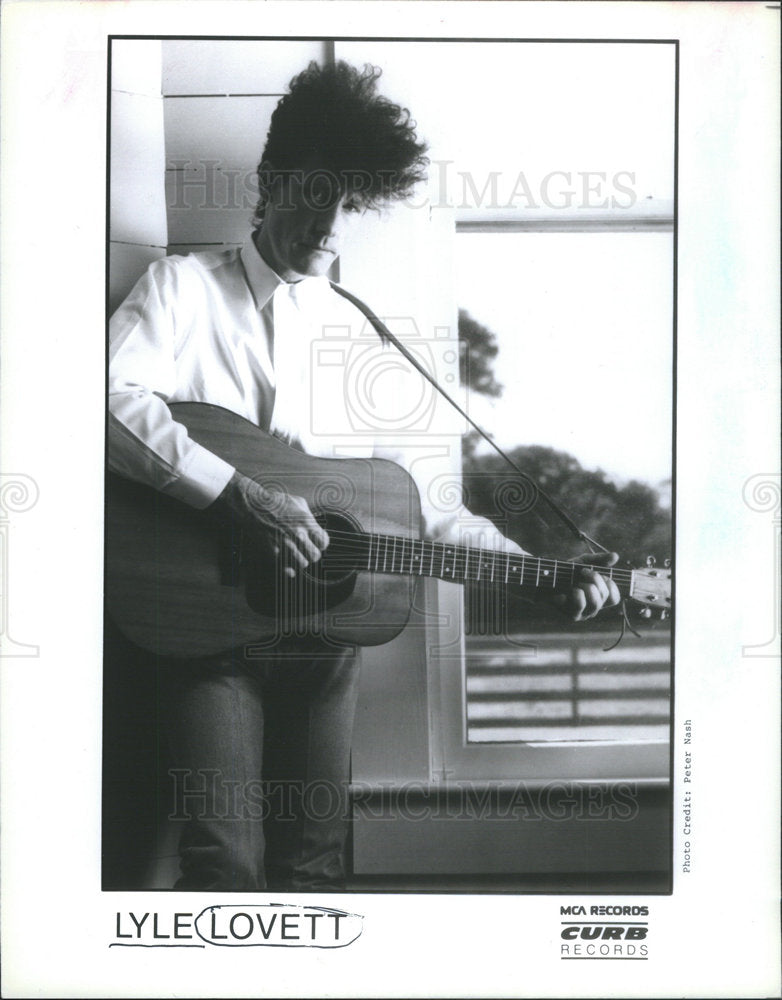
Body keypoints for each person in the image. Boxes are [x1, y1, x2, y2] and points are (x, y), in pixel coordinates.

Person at [106, 61, 620, 891]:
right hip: (204, 639)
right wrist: (242, 496)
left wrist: (535, 572)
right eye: (315, 191)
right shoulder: (179, 290)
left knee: (317, 867)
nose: (331, 220)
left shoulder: (372, 337)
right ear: (272, 182)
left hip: (326, 646)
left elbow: (431, 509)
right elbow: (104, 403)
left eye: (351, 202)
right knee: (223, 866)